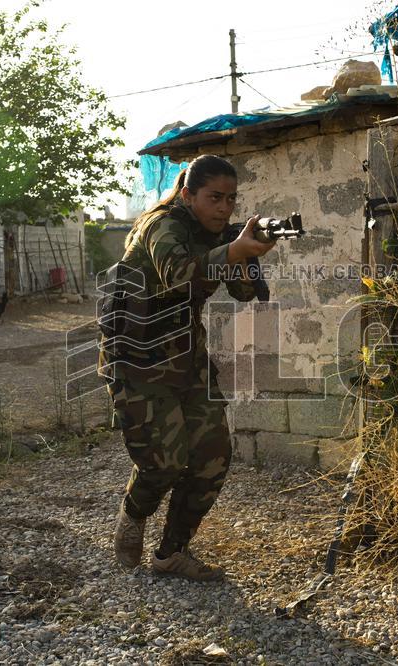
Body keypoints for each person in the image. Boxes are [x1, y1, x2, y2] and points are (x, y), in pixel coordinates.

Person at [100, 154, 275, 581]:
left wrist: (248, 253)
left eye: (231, 199)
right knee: (163, 463)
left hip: (186, 358)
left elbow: (245, 293)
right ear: (187, 194)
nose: (224, 207)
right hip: (137, 359)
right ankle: (133, 513)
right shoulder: (162, 225)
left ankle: (171, 554)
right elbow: (177, 272)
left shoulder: (215, 232)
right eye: (214, 197)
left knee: (212, 456)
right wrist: (233, 249)